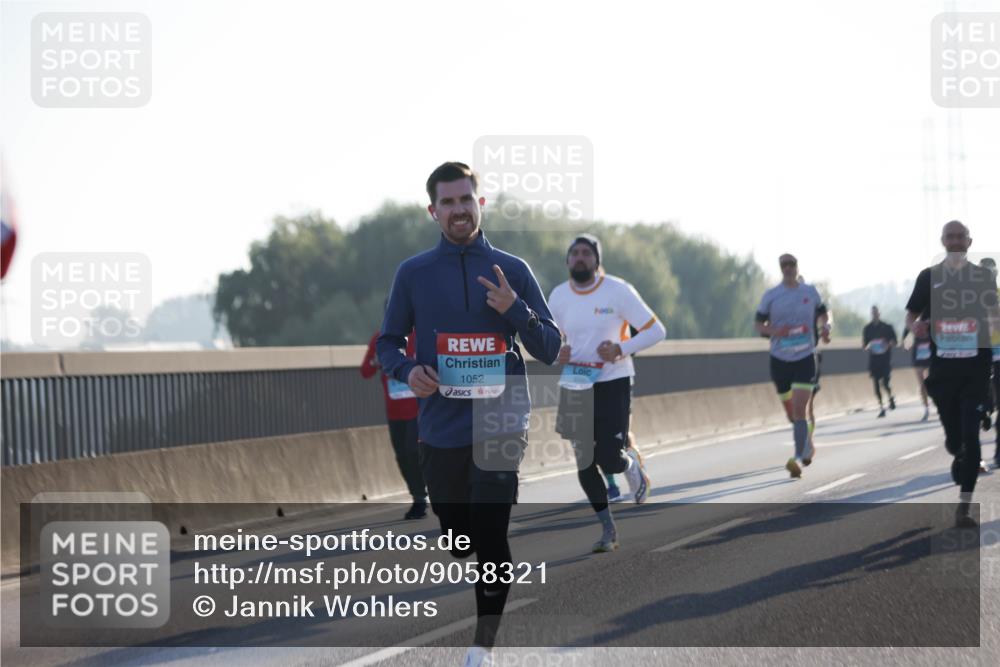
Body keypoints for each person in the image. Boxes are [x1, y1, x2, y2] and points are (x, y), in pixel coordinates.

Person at [377, 162, 561, 666]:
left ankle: (483, 647)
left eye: (466, 200)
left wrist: (515, 309)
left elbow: (550, 347)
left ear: (480, 204)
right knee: (460, 539)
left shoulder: (512, 270)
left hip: (502, 418)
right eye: (448, 202)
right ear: (433, 211)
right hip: (441, 426)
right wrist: (408, 368)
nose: (459, 210)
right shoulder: (413, 273)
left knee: (491, 531)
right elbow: (388, 342)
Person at [548, 235, 665, 552]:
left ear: (597, 260)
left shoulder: (618, 290)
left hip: (613, 380)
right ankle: (608, 530)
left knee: (609, 459)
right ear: (568, 260)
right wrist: (557, 352)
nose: (580, 257)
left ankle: (631, 467)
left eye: (587, 253)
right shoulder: (558, 296)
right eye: (575, 253)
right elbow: (550, 339)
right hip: (575, 381)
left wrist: (621, 348)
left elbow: (657, 330)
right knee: (584, 461)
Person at [905, 220, 999, 528]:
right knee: (954, 440)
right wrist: (915, 327)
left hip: (975, 370)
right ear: (943, 241)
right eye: (950, 237)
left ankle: (964, 507)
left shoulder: (983, 277)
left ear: (969, 242)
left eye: (961, 237)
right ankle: (958, 452)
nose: (956, 241)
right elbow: (911, 315)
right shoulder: (928, 277)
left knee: (971, 437)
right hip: (943, 372)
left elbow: (994, 316)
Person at [755, 254, 831, 478]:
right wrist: (776, 331)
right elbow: (759, 325)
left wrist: (826, 327)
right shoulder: (771, 296)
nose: (788, 268)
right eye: (784, 265)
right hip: (779, 360)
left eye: (792, 264)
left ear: (797, 267)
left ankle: (797, 458)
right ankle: (807, 444)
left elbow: (824, 314)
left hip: (805, 356)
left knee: (800, 410)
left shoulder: (810, 292)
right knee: (792, 414)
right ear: (780, 268)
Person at [360, 322, 427, 520]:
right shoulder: (380, 339)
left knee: (413, 451)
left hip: (419, 409)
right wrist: (376, 361)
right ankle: (418, 497)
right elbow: (365, 371)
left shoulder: (421, 336)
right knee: (402, 456)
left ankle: (427, 492)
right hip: (394, 412)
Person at [980, 257, 1000, 468]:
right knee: (980, 406)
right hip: (979, 358)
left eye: (991, 272)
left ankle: (999, 451)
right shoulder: (969, 298)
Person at [862, 306, 898, 417]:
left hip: (885, 360)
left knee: (885, 383)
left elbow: (895, 341)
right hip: (874, 360)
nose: (874, 315)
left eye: (876, 313)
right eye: (873, 313)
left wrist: (888, 344)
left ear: (879, 313)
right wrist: (867, 347)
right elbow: (865, 344)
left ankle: (891, 397)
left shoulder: (887, 327)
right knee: (876, 385)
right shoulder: (867, 328)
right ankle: (882, 407)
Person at [901, 320, 933, 421]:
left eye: (922, 326)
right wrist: (906, 344)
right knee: (922, 386)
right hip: (918, 361)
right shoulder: (913, 333)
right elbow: (905, 344)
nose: (920, 329)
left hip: (930, 361)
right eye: (917, 327)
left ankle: (935, 400)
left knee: (932, 383)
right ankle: (926, 409)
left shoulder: (931, 332)